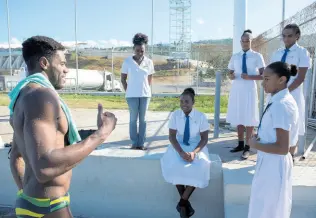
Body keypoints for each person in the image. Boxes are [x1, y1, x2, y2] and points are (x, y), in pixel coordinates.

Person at [8, 36, 117, 218]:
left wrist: (26, 195)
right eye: (62, 64)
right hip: (48, 206)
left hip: (30, 202)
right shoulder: (41, 96)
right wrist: (101, 134)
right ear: (44, 63)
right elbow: (44, 168)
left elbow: (15, 156)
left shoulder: (22, 96)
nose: (66, 70)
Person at [247, 62, 299, 218]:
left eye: (267, 79)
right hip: (269, 162)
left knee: (268, 211)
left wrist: (255, 144)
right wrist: (261, 137)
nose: (263, 83)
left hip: (274, 166)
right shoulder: (276, 99)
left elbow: (283, 148)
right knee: (263, 208)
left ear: (281, 79)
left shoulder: (282, 105)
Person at [160, 88, 211, 218]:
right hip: (179, 145)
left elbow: (204, 139)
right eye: (181, 101)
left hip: (196, 146)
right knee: (174, 164)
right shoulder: (175, 115)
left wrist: (194, 153)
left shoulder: (201, 116)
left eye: (187, 101)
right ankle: (184, 204)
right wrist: (181, 152)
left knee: (201, 165)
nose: (184, 104)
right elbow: (172, 137)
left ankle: (182, 203)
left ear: (193, 102)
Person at [270, 23, 311, 161]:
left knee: (293, 124)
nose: (286, 39)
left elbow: (300, 77)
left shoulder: (302, 53)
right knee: (275, 121)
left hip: (292, 94)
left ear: (297, 36)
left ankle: (290, 155)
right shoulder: (277, 53)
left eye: (290, 36)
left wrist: (285, 91)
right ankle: (277, 153)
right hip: (275, 94)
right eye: (284, 36)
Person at [226, 29, 266, 159]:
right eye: (242, 41)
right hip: (237, 89)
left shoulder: (257, 56)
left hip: (249, 89)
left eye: (247, 41)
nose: (244, 43)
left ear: (251, 41)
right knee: (239, 115)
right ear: (240, 42)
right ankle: (240, 144)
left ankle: (248, 147)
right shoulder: (235, 56)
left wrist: (250, 77)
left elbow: (264, 76)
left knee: (249, 117)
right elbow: (230, 72)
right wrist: (230, 76)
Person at [121, 33, 155, 150]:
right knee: (133, 119)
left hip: (145, 95)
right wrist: (128, 90)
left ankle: (141, 143)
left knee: (143, 120)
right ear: (134, 49)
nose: (140, 53)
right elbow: (123, 79)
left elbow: (149, 79)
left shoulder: (149, 62)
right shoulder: (127, 62)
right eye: (137, 50)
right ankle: (134, 143)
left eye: (142, 51)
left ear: (145, 50)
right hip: (131, 96)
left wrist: (145, 89)